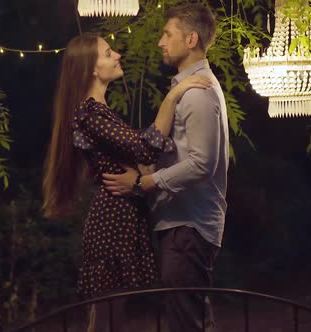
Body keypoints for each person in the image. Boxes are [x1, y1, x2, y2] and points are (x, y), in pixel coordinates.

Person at [41, 32, 212, 332]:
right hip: (111, 222)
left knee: (113, 319)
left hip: (122, 218)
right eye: (108, 53)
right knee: (107, 320)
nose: (117, 55)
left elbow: (142, 155)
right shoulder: (90, 112)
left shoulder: (99, 111)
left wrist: (141, 177)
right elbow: (144, 148)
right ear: (92, 69)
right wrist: (173, 95)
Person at [102, 4, 229, 332]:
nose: (160, 41)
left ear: (191, 39)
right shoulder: (188, 90)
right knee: (193, 319)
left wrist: (145, 182)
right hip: (184, 225)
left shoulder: (199, 94)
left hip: (189, 227)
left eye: (167, 34)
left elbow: (202, 163)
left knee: (187, 323)